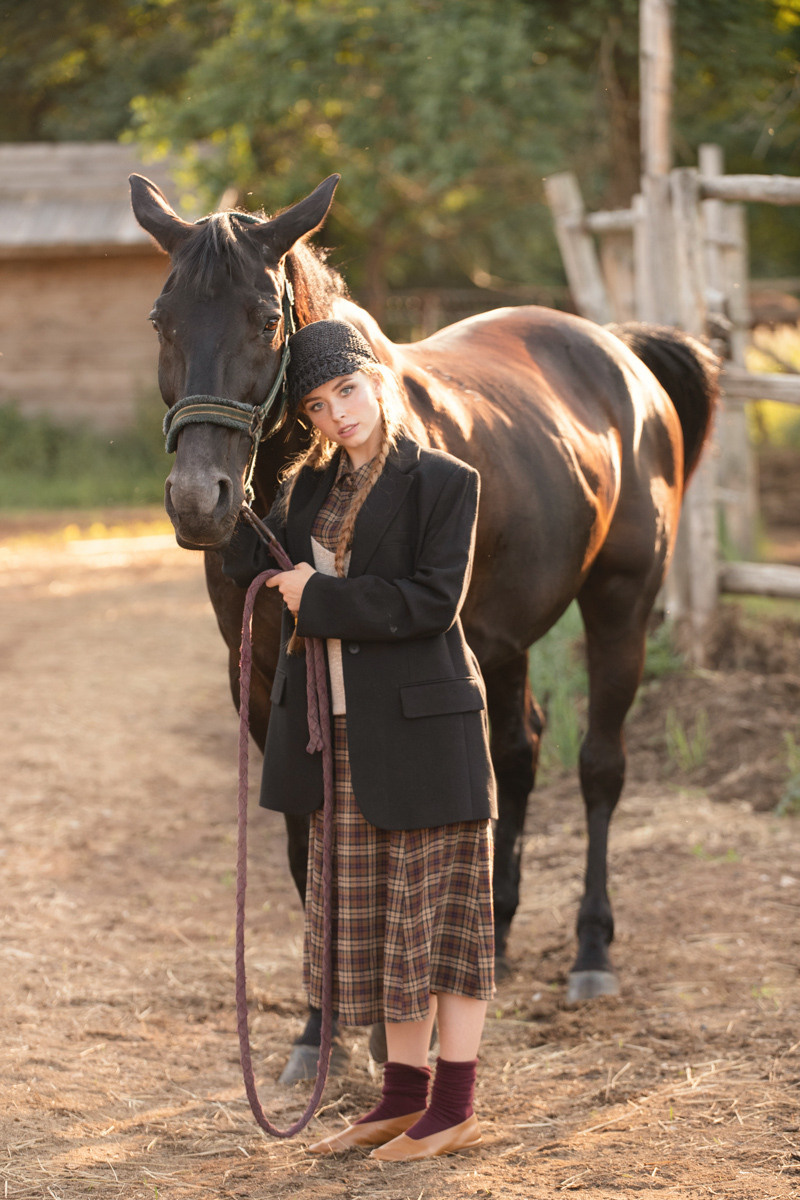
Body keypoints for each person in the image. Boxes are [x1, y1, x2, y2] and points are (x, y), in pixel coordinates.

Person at [222, 319, 497, 1162]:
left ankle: (455, 1108)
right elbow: (245, 564)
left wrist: (320, 597)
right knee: (382, 927)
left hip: (427, 732)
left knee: (443, 928)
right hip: (337, 739)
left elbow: (431, 604)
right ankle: (400, 1098)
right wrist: (215, 464)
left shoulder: (445, 483)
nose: (338, 413)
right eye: (316, 404)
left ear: (376, 381)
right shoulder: (307, 489)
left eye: (346, 390)